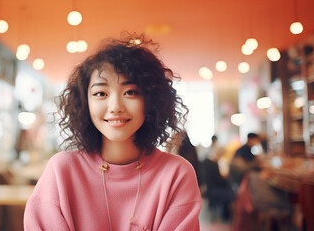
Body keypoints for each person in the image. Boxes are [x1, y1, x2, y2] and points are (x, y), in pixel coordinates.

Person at [24, 34, 202, 230]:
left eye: (131, 92)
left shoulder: (176, 175)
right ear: (84, 103)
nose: (115, 106)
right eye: (101, 93)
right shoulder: (61, 171)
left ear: (151, 99)